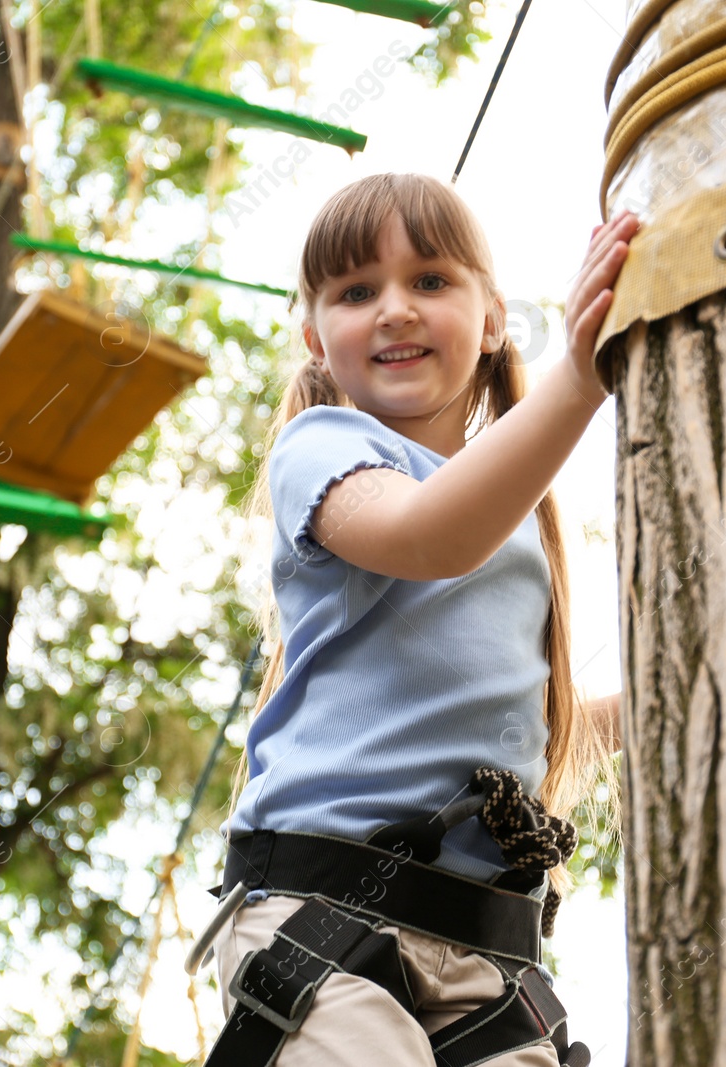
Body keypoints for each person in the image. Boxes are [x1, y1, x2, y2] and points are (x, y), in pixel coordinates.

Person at [200, 172, 638, 1067]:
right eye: (356, 292)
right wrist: (582, 380)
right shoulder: (321, 447)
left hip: (485, 950)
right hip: (322, 911)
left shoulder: (518, 518)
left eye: (430, 280)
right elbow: (428, 536)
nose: (394, 308)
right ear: (317, 339)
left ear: (491, 320)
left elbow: (530, 731)